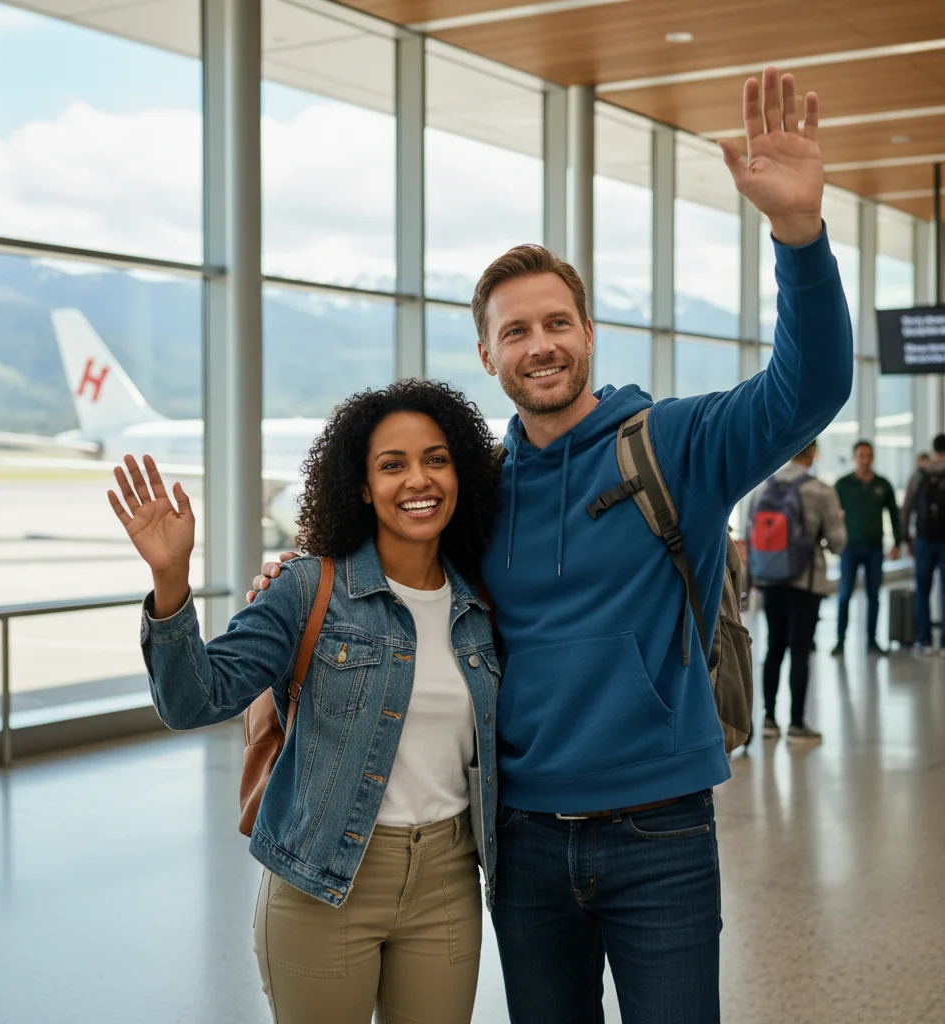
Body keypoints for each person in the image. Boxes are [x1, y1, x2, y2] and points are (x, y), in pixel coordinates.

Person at [253, 66, 852, 1023]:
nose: (541, 344)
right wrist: (291, 573)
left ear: (587, 333)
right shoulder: (476, 492)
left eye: (557, 323)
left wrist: (798, 236)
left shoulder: (674, 446)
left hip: (660, 833)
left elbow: (808, 386)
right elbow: (389, 573)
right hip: (520, 840)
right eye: (516, 330)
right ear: (487, 355)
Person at [112, 380, 502, 1024]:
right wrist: (171, 580)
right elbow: (194, 700)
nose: (418, 480)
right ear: (359, 485)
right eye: (392, 464)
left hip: (448, 882)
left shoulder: (482, 605)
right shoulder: (306, 586)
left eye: (436, 458)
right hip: (323, 875)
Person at [755, 441, 846, 742]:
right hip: (805, 582)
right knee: (800, 649)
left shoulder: (762, 487)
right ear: (814, 454)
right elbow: (838, 544)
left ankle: (768, 720)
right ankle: (796, 724)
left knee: (774, 647)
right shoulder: (820, 490)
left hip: (769, 578)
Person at [832, 440, 902, 657]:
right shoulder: (843, 485)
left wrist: (897, 542)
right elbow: (831, 515)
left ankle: (872, 640)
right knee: (844, 594)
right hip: (849, 547)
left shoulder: (883, 484)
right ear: (854, 458)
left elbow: (894, 515)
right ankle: (840, 640)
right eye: (861, 455)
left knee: (874, 594)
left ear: (872, 458)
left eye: (868, 455)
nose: (865, 459)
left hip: (874, 548)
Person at [901, 433, 945, 654]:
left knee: (923, 591)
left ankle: (924, 640)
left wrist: (905, 538)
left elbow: (907, 505)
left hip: (924, 539)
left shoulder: (921, 472)